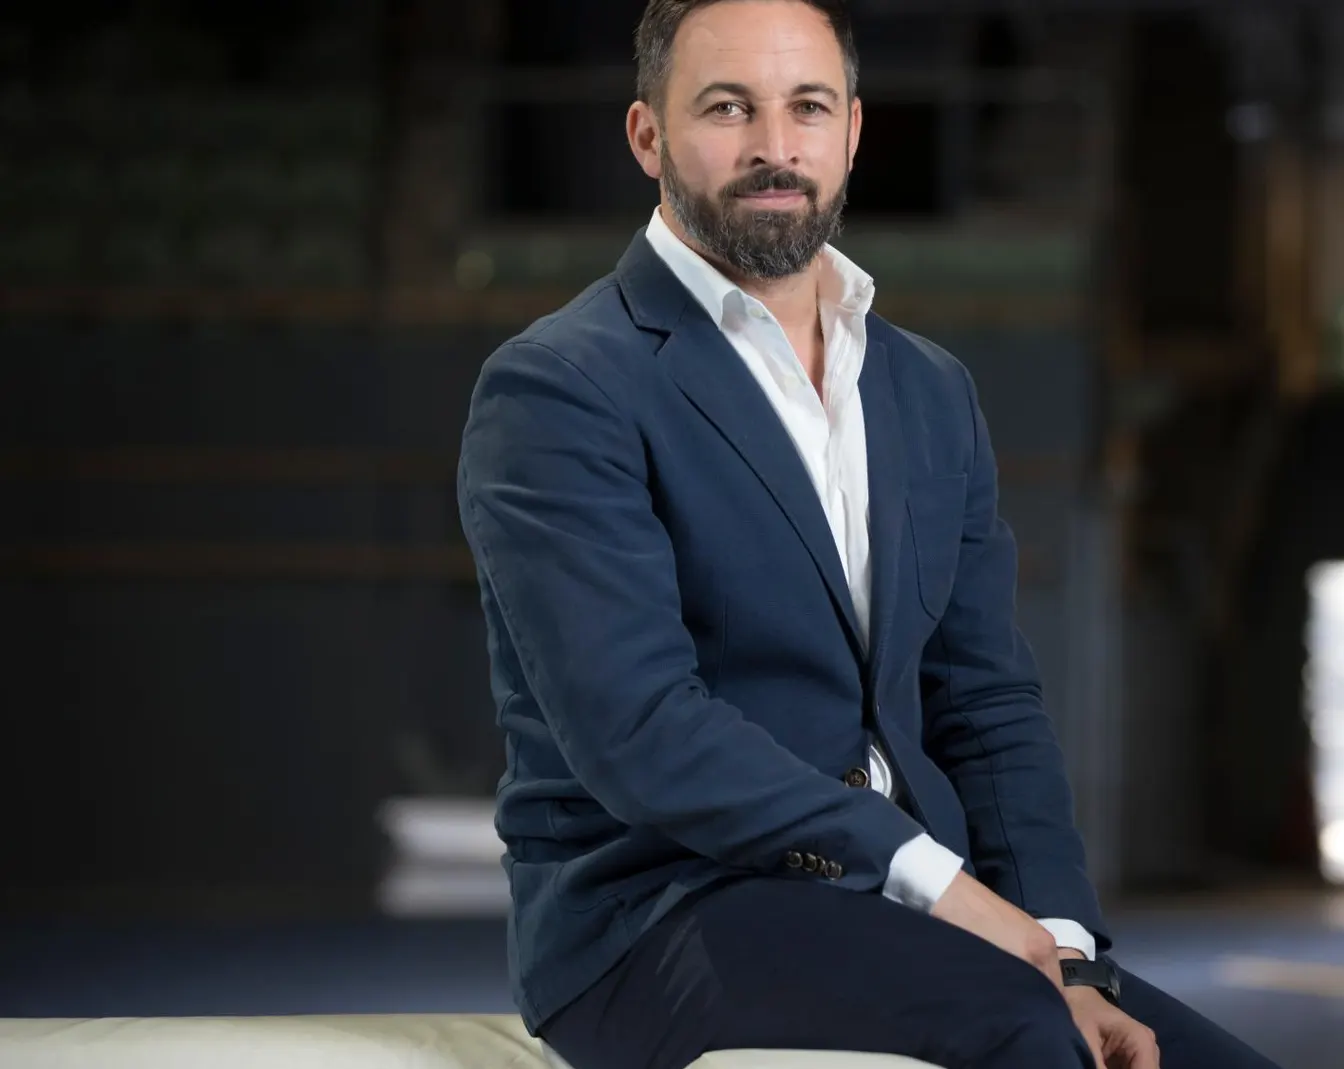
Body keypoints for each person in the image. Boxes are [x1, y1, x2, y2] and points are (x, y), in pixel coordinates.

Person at [456, 2, 1282, 1067]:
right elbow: (641, 732)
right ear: (647, 136)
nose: (773, 147)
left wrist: (1063, 943)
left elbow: (984, 703)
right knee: (1029, 1038)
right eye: (726, 108)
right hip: (657, 917)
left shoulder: (926, 388)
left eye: (806, 107)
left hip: (911, 917)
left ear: (852, 131)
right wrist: (944, 890)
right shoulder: (560, 386)